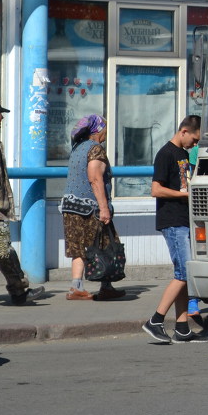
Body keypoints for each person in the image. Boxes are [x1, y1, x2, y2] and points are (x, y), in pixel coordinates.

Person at [141, 115, 208, 344]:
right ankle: (156, 320)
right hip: (172, 221)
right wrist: (184, 195)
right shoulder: (166, 154)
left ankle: (182, 328)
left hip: (184, 220)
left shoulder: (184, 155)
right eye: (195, 139)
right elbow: (156, 190)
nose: (195, 144)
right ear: (184, 131)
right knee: (183, 273)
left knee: (184, 275)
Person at [0, 98, 44, 306]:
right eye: (0, 113)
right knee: (3, 249)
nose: (2, 117)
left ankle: (18, 290)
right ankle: (18, 291)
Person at [61, 114, 123, 301]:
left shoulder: (77, 148)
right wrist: (104, 208)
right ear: (98, 130)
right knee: (103, 244)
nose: (106, 133)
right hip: (89, 208)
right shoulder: (95, 149)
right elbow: (95, 179)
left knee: (79, 247)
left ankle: (78, 287)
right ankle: (104, 286)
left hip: (71, 206)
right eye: (105, 129)